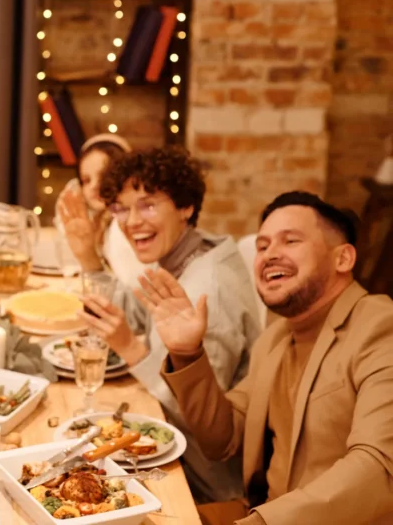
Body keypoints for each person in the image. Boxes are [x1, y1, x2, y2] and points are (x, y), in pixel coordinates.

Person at [149, 192, 393, 525]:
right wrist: (187, 353)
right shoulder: (277, 337)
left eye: (290, 240)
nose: (270, 255)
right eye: (262, 246)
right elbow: (222, 440)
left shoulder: (381, 326)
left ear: (343, 259)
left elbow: (379, 469)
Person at [76, 147, 261, 504]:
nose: (131, 222)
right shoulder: (187, 254)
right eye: (121, 209)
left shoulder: (209, 289)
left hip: (206, 482)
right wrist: (87, 254)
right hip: (175, 450)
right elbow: (138, 312)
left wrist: (131, 349)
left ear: (185, 206)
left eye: (147, 205)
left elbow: (202, 424)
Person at [55, 133, 146, 288]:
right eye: (86, 180)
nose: (95, 186)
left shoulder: (127, 227)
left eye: (104, 175)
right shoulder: (96, 222)